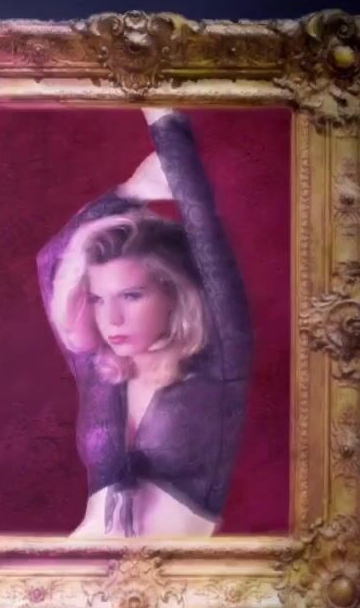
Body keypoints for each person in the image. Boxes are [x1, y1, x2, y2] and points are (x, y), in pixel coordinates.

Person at [35, 108, 253, 539]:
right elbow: (52, 261)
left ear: (174, 294)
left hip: (169, 574)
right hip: (86, 564)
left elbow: (205, 227)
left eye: (132, 296)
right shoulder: (103, 370)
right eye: (98, 299)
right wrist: (130, 193)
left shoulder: (219, 364)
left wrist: (163, 118)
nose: (111, 319)